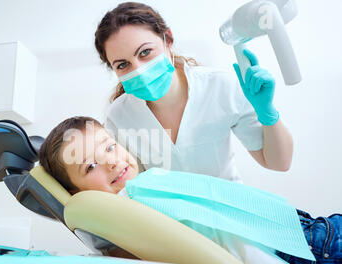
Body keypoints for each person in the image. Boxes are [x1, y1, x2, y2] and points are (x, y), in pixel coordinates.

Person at [38, 116, 340, 264]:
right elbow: (235, 246)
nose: (111, 161)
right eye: (90, 165)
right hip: (315, 255)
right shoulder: (134, 208)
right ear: (76, 192)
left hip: (310, 235)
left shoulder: (143, 186)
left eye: (108, 146)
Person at [94, 2, 294, 183]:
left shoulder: (220, 86)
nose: (139, 70)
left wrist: (267, 113)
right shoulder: (119, 117)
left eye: (145, 52)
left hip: (231, 213)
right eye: (122, 65)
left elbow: (279, 163)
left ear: (168, 40)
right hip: (167, 222)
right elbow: (132, 187)